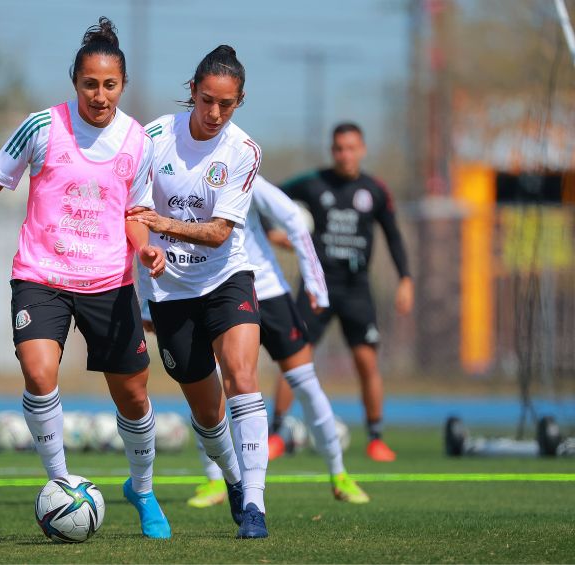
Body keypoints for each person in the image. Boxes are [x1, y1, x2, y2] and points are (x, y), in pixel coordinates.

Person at [0, 17, 172, 539]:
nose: (100, 95)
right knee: (39, 373)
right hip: (41, 276)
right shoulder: (42, 127)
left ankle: (143, 489)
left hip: (109, 282)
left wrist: (146, 248)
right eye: (90, 84)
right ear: (75, 82)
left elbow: (134, 212)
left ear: (121, 86)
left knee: (132, 396)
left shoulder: (138, 141)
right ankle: (63, 485)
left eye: (109, 85)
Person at [128, 45, 268, 539]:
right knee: (208, 414)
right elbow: (133, 213)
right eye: (206, 100)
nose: (214, 114)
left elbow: (217, 233)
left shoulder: (242, 152)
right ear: (192, 91)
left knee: (242, 374)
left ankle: (254, 504)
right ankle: (232, 477)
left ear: (239, 102)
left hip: (226, 278)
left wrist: (162, 224)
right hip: (170, 292)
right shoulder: (152, 138)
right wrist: (146, 251)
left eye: (226, 105)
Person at [185, 174, 370, 508]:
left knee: (305, 382)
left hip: (267, 291)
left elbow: (293, 218)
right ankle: (215, 480)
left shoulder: (240, 172)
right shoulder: (180, 177)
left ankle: (339, 474)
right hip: (215, 291)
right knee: (210, 387)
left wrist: (315, 281)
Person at [274, 122, 414, 462]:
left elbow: (393, 235)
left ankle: (376, 438)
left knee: (367, 361)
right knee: (294, 357)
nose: (344, 154)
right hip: (315, 285)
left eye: (351, 148)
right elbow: (267, 195)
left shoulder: (375, 190)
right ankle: (275, 434)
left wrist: (405, 279)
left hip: (356, 288)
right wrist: (276, 237)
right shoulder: (312, 183)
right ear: (332, 150)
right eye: (338, 148)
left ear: (362, 150)